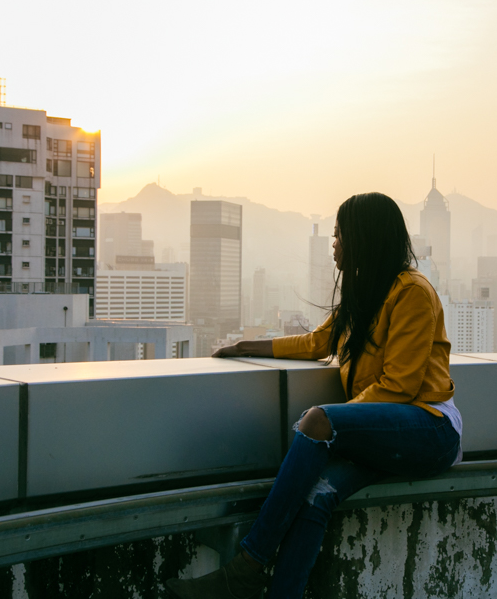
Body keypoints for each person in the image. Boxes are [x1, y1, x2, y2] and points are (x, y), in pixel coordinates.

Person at [166, 192, 462, 599]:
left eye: (340, 235)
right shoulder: (365, 294)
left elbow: (401, 386)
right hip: (388, 428)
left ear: (364, 238)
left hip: (430, 428)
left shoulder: (411, 292)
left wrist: (339, 427)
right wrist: (247, 347)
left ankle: (248, 566)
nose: (334, 244)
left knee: (318, 420)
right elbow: (318, 342)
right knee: (316, 497)